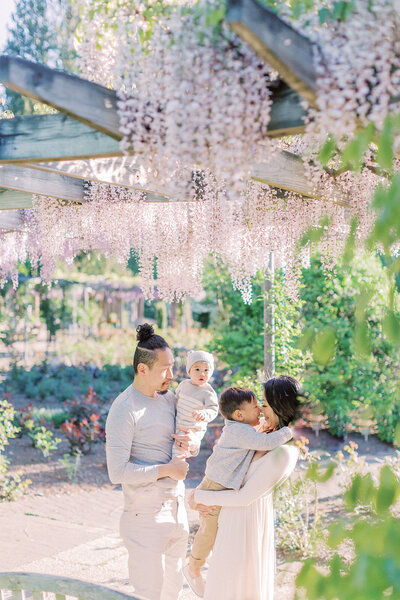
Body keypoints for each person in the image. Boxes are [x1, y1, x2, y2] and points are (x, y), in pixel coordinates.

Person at [105, 323, 199, 600]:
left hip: (177, 512)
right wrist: (168, 470)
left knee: (173, 594)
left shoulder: (170, 400)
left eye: (172, 366)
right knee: (150, 595)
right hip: (144, 519)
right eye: (164, 369)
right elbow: (117, 471)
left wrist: (189, 444)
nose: (171, 375)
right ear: (142, 369)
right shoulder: (124, 408)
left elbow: (181, 441)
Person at [190, 375, 302, 600]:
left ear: (280, 406)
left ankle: (194, 564)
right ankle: (193, 564)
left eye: (265, 404)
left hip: (245, 528)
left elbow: (244, 497)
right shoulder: (260, 432)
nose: (261, 410)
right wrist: (199, 498)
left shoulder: (286, 450)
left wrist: (199, 496)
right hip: (231, 523)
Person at [172, 350, 218, 458]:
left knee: (179, 449)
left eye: (206, 370)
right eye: (197, 369)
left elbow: (213, 409)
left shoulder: (208, 392)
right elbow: (175, 400)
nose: (202, 373)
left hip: (192, 429)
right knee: (169, 446)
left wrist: (205, 413)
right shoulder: (183, 385)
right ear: (189, 371)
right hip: (178, 423)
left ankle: (176, 467)